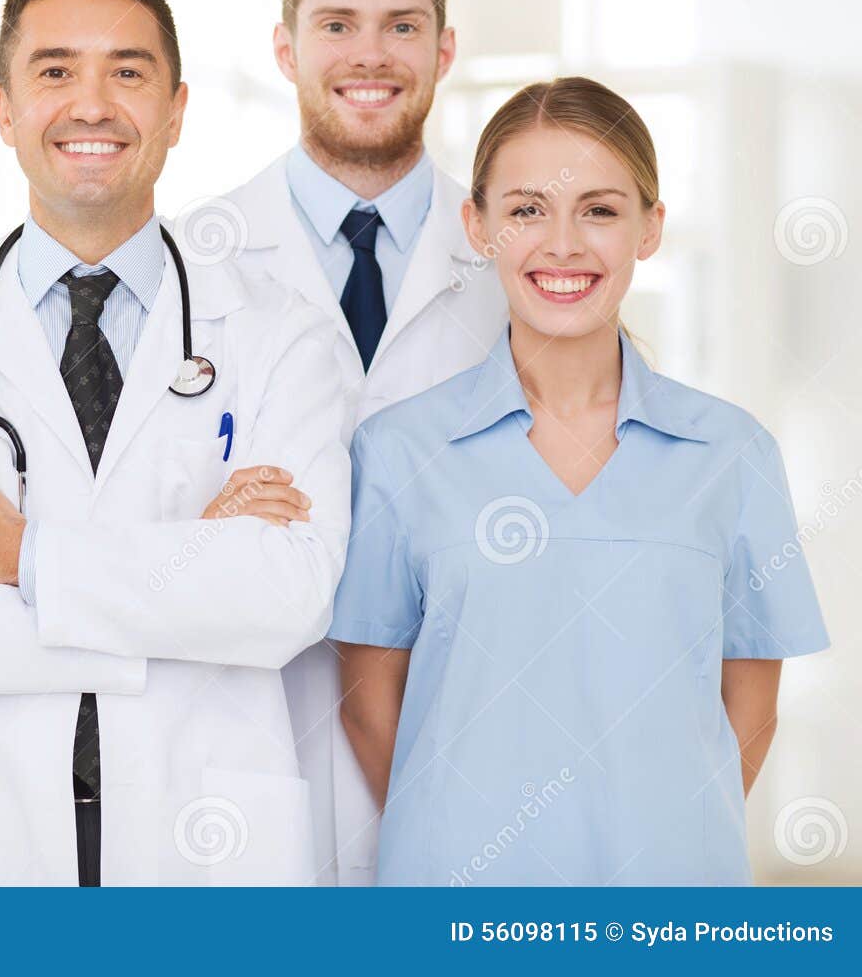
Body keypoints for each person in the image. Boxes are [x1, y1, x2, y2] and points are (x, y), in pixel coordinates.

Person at [0, 0, 354, 886]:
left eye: (128, 72)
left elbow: (286, 595)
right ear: (4, 109)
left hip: (211, 841)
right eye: (56, 71)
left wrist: (27, 557)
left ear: (177, 110)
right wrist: (186, 572)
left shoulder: (282, 336)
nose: (92, 104)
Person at [328, 77, 830, 885]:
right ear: (479, 226)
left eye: (598, 209)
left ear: (649, 228)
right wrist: (466, 837)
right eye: (527, 209)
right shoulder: (399, 450)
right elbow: (366, 704)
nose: (562, 244)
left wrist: (657, 833)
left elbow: (751, 711)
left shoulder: (733, 454)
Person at [205, 0, 507, 885]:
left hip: (470, 733)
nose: (369, 55)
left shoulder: (523, 262)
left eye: (401, 26)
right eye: (336, 24)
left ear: (444, 48)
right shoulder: (187, 264)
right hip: (245, 745)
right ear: (286, 48)